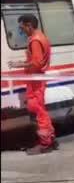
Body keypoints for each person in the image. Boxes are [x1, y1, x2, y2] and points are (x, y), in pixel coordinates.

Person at [8, 14, 57, 155]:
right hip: (37, 80)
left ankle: (45, 144)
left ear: (29, 25)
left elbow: (36, 63)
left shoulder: (35, 40)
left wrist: (19, 64)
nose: (21, 30)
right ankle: (49, 139)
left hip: (35, 81)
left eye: (22, 27)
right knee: (40, 110)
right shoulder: (41, 36)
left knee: (38, 111)